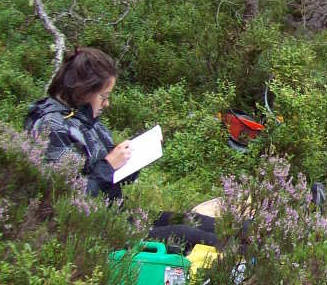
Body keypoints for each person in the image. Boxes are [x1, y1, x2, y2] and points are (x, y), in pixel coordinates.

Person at [25, 46, 220, 253]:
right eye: (103, 96)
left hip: (116, 214)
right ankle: (241, 266)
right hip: (94, 229)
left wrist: (135, 157)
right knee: (189, 236)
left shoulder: (84, 118)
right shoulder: (51, 126)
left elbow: (111, 176)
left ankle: (255, 240)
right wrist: (108, 166)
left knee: (200, 222)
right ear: (84, 91)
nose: (107, 103)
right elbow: (66, 202)